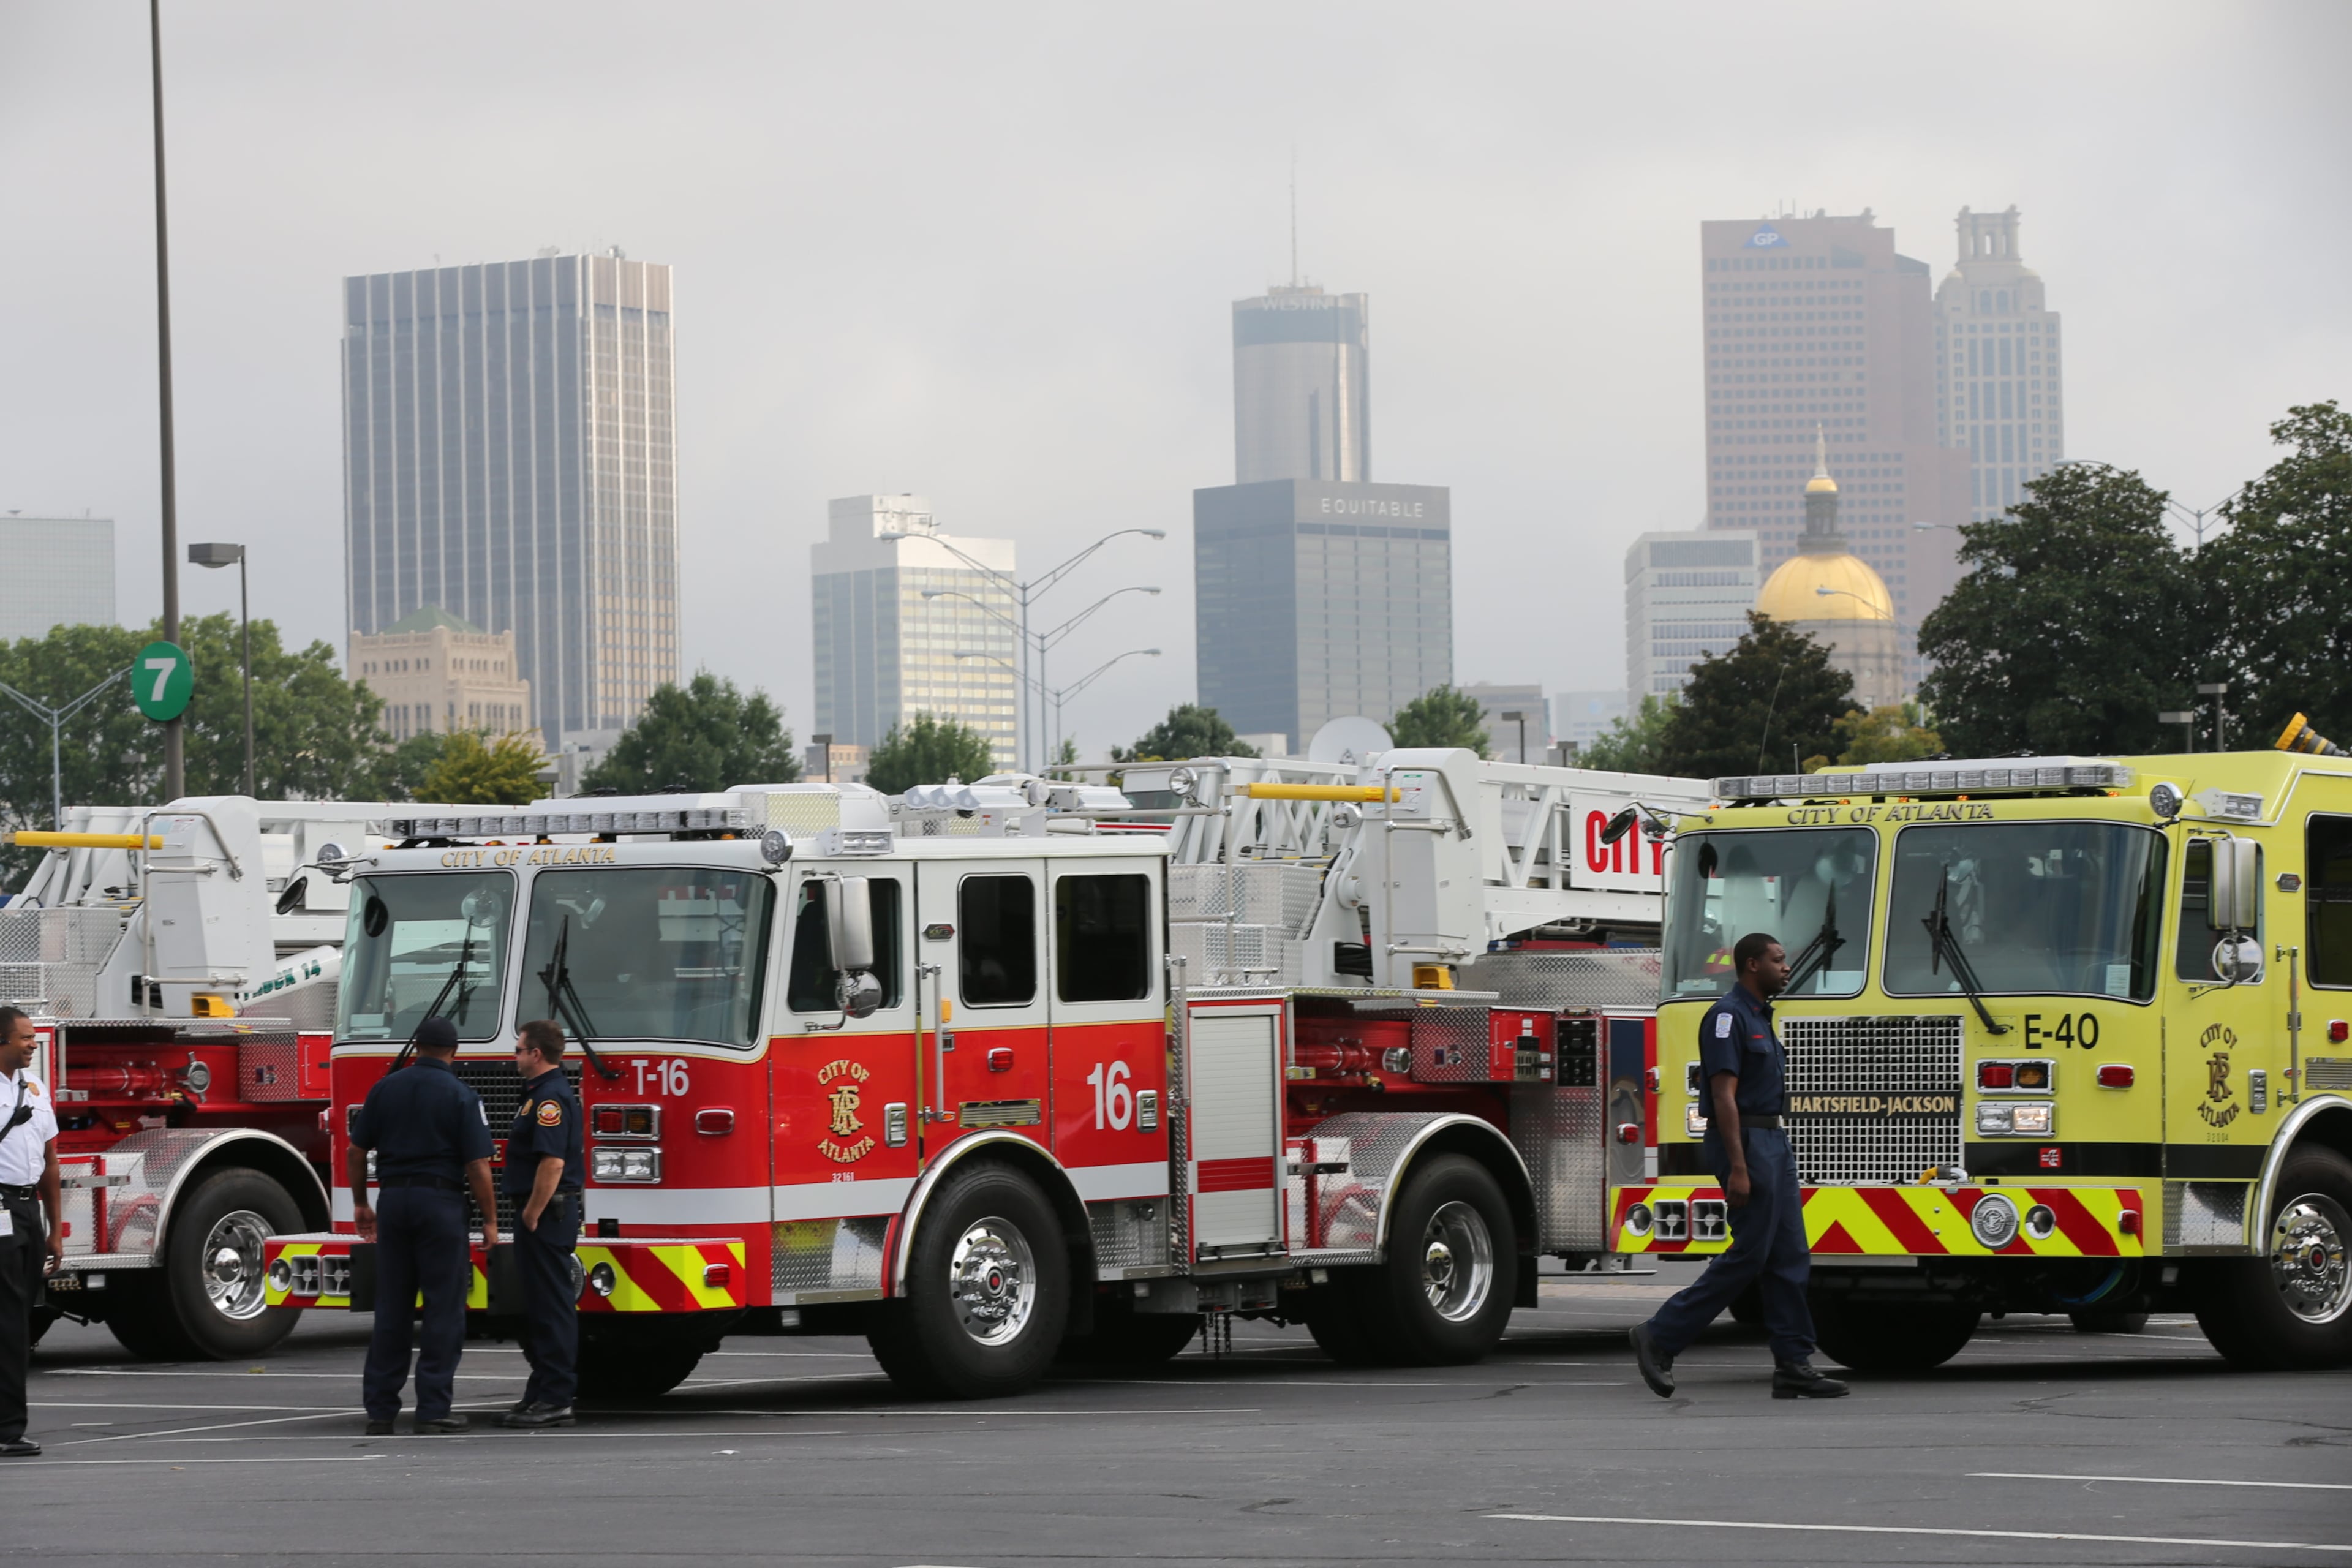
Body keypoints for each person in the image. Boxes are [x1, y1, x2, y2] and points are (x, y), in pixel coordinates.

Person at [1630, 933, 1849, 1401]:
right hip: (1747, 1142)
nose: (1786, 967)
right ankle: (1660, 1334)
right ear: (1752, 965)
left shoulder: (1760, 1017)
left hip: (1772, 1138)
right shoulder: (1727, 1018)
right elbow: (1724, 1098)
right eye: (1778, 959)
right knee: (1750, 1254)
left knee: (1790, 1255)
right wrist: (1738, 1168)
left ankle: (1793, 1363)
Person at [350, 1015, 498, 1434]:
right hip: (441, 1204)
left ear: (416, 1048)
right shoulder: (461, 1095)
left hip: (393, 1201)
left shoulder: (384, 1089)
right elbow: (478, 1165)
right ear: (455, 1053)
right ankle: (433, 1409)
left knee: (392, 1307)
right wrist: (489, 1221)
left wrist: (362, 1203)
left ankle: (380, 1410)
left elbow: (357, 1151)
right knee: (443, 1308)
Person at [501, 1019, 583, 1430]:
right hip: (543, 1215)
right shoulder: (537, 1095)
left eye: (518, 1049)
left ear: (536, 1054)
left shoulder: (549, 1100)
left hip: (547, 1216)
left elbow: (552, 1163)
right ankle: (542, 1391)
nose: (514, 1055)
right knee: (538, 1307)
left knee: (552, 1308)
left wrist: (531, 1213)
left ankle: (556, 1397)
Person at [0, 1006, 63, 1458]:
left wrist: (54, 1230)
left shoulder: (36, 1090)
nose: (32, 1044)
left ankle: (9, 1426)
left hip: (28, 1210)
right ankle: (7, 1430)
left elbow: (52, 1163)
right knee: (5, 1321)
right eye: (24, 1038)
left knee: (19, 1320)